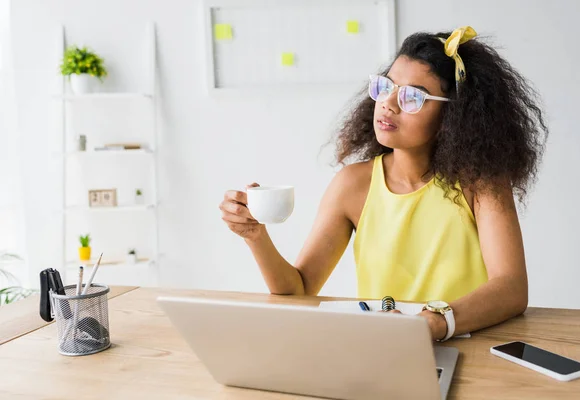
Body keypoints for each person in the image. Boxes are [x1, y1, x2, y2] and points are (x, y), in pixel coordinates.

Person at [219, 26, 547, 341]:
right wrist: (255, 236)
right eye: (385, 87)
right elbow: (300, 289)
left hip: (466, 346)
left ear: (454, 116)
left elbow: (511, 288)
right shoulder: (352, 186)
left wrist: (431, 324)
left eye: (412, 98)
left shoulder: (481, 182)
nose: (388, 103)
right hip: (384, 350)